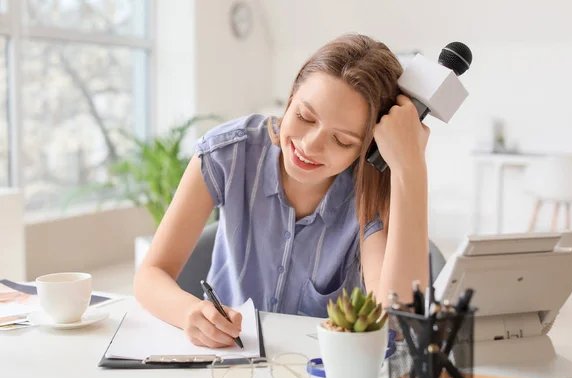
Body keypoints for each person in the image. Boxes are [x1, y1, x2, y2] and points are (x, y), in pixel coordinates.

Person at [133, 33, 430, 349]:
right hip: (229, 364)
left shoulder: (367, 189)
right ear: (290, 99)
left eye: (342, 140)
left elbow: (398, 325)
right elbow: (151, 274)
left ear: (368, 149)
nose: (310, 144)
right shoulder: (227, 153)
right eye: (304, 116)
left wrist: (410, 169)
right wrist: (189, 312)